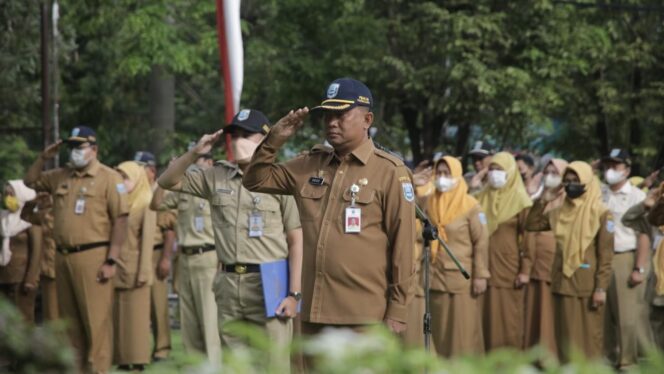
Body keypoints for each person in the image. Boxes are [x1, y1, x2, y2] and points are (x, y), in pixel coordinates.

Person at [242, 78, 416, 335]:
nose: (331, 122)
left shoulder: (390, 171)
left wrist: (398, 310)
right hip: (313, 311)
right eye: (327, 115)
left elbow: (403, 246)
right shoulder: (309, 165)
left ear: (367, 120)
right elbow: (255, 180)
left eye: (341, 114)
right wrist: (273, 140)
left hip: (364, 316)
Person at [158, 109, 303, 370]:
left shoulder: (280, 177)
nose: (237, 141)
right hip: (228, 283)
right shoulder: (216, 176)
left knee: (274, 363)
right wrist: (195, 152)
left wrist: (294, 294)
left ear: (265, 138)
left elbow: (296, 239)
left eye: (246, 134)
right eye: (233, 135)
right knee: (234, 364)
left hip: (269, 281)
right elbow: (168, 180)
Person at [24, 126, 128, 373]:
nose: (74, 152)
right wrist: (43, 158)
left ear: (94, 150)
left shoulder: (109, 178)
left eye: (79, 147)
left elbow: (121, 221)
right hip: (63, 257)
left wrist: (111, 260)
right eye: (71, 147)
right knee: (71, 327)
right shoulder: (60, 176)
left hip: (94, 257)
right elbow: (30, 181)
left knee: (96, 325)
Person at [526, 161, 614, 361]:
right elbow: (531, 225)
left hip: (587, 285)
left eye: (576, 180)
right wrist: (543, 200)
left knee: (589, 340)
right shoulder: (558, 212)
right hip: (562, 282)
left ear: (587, 182)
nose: (571, 184)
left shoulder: (601, 213)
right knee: (565, 339)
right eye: (567, 181)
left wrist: (601, 288)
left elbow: (606, 255)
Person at [413, 156, 490, 357]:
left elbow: (481, 241)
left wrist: (481, 274)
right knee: (437, 329)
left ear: (457, 175)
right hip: (433, 275)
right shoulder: (428, 201)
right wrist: (413, 181)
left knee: (461, 330)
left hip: (459, 278)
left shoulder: (471, 205)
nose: (442, 178)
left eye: (447, 174)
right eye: (439, 173)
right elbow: (407, 203)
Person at [151, 152, 221, 363]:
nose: (191, 164)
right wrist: (167, 175)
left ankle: (215, 367)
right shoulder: (184, 190)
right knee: (188, 323)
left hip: (209, 258)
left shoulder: (216, 188)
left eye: (197, 159)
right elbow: (155, 204)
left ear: (209, 163)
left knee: (209, 322)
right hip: (185, 259)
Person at [600, 148, 654, 368]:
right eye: (607, 166)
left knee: (627, 315)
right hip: (602, 257)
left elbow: (644, 234)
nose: (610, 170)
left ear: (627, 170)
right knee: (603, 313)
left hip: (626, 257)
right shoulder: (601, 193)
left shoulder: (637, 196)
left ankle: (628, 362)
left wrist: (639, 268)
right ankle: (607, 359)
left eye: (616, 166)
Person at [477, 152, 533, 350]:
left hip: (508, 267)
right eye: (492, 169)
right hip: (482, 265)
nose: (494, 174)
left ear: (510, 171)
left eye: (500, 170)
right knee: (484, 315)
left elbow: (528, 238)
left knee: (508, 316)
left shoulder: (521, 201)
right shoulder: (481, 196)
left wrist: (525, 270)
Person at [523, 158, 568, 355]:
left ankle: (554, 353)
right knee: (536, 310)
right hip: (536, 263)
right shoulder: (541, 198)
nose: (550, 176)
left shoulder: (569, 201)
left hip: (558, 265)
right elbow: (530, 225)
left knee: (553, 313)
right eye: (547, 172)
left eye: (555, 173)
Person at [112, 161, 154, 370]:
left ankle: (138, 359)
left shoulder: (145, 203)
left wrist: (144, 271)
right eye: (118, 176)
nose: (121, 181)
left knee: (136, 318)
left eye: (126, 177)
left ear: (137, 179)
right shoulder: (117, 202)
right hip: (115, 266)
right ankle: (121, 358)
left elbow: (147, 241)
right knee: (118, 316)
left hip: (136, 267)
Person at [134, 151, 172, 361]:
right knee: (139, 303)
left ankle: (162, 348)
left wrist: (166, 258)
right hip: (136, 252)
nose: (138, 171)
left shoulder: (160, 190)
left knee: (158, 304)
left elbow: (169, 229)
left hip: (156, 252)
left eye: (141, 167)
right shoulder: (134, 191)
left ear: (151, 170)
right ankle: (138, 347)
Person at [0, 180, 41, 322]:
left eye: (11, 194)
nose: (8, 197)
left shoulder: (30, 220)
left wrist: (31, 279)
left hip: (22, 277)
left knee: (23, 318)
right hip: (4, 274)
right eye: (6, 194)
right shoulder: (3, 218)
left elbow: (37, 252)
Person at [21, 192, 59, 321]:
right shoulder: (43, 215)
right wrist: (32, 202)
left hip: (72, 266)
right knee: (52, 316)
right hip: (50, 269)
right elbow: (25, 217)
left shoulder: (67, 212)